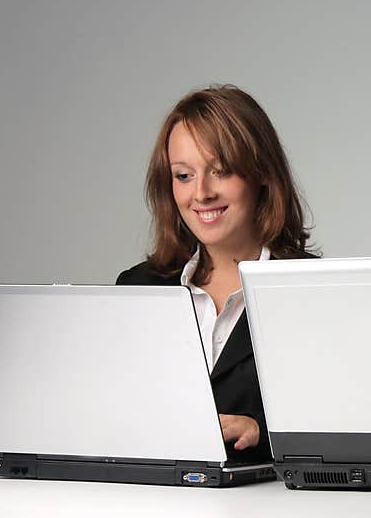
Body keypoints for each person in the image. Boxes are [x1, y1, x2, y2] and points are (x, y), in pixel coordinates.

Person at [117, 85, 316, 463]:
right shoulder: (137, 289)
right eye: (183, 175)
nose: (201, 193)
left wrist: (261, 432)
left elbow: (350, 426)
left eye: (220, 171)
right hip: (151, 506)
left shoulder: (313, 291)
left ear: (260, 173)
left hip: (275, 513)